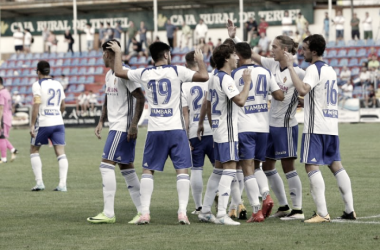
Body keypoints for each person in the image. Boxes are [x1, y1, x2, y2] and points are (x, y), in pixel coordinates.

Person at [108, 40, 209, 225]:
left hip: (155, 130)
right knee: (182, 171)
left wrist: (118, 52)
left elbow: (119, 72)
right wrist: (200, 60)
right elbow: (204, 76)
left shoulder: (145, 73)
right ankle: (182, 213)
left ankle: (145, 213)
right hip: (176, 130)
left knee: (148, 170)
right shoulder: (177, 71)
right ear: (166, 55)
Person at [227, 19, 305, 220]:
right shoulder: (270, 65)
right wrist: (233, 36)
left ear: (285, 50)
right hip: (268, 125)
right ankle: (284, 205)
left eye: (275, 47)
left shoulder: (299, 72)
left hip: (286, 126)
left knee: (288, 166)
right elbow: (249, 54)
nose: (271, 50)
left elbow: (305, 92)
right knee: (267, 167)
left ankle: (298, 209)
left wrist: (302, 100)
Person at [284, 34, 356, 222]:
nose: (303, 52)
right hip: (331, 126)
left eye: (305, 48)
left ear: (314, 51)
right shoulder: (330, 70)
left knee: (311, 165)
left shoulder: (313, 69)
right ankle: (350, 210)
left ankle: (322, 213)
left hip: (315, 127)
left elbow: (303, 90)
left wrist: (290, 66)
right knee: (336, 165)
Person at [87, 39, 145, 224]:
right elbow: (107, 97)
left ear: (109, 53)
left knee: (106, 166)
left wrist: (134, 124)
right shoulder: (109, 74)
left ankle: (109, 213)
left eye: (104, 53)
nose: (102, 57)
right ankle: (143, 211)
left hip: (122, 127)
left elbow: (141, 98)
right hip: (117, 126)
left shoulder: (124, 72)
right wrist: (101, 120)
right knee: (127, 170)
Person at [197, 44, 252, 226]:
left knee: (218, 171)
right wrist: (247, 83)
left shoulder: (213, 78)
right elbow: (241, 101)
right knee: (229, 171)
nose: (237, 57)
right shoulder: (226, 79)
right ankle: (221, 213)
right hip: (227, 131)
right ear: (227, 58)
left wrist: (214, 125)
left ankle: (205, 211)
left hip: (219, 130)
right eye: (234, 55)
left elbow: (210, 105)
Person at [232, 42, 285, 222]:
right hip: (263, 127)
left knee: (247, 169)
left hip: (244, 126)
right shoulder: (265, 72)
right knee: (257, 166)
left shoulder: (235, 74)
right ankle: (266, 195)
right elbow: (280, 95)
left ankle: (256, 210)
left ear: (238, 56)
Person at [181, 51, 214, 215]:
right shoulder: (212, 78)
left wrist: (185, 137)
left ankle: (199, 206)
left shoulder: (184, 84)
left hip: (195, 131)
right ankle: (229, 203)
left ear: (186, 65)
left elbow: (185, 114)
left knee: (196, 169)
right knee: (222, 169)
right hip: (215, 130)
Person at [30, 60, 68, 192]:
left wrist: (31, 125)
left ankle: (39, 183)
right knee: (60, 153)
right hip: (58, 122)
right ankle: (62, 185)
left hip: (44, 122)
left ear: (38, 71)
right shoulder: (58, 84)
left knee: (34, 150)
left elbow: (36, 105)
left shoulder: (37, 85)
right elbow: (63, 105)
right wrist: (58, 115)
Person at [0, 77, 18, 164]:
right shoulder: (6, 92)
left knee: (1, 137)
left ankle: (3, 159)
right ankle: (13, 150)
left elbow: (1, 108)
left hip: (3, 118)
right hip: (8, 116)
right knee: (2, 137)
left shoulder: (1, 93)